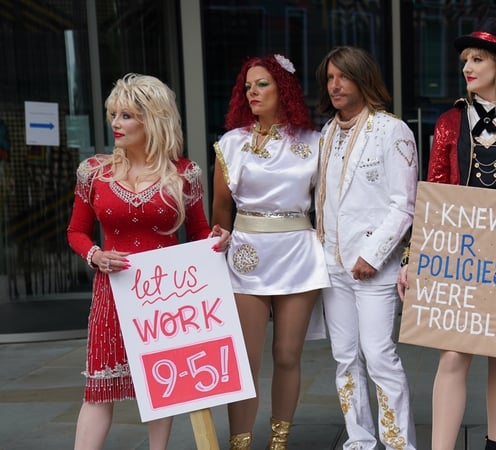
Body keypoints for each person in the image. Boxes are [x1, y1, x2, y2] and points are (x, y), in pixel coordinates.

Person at [396, 18, 496, 450]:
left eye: (477, 58)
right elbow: (431, 192)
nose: (467, 66)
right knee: (452, 352)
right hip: (457, 252)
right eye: (465, 59)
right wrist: (412, 257)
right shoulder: (449, 121)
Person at [66, 73, 230, 450]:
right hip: (112, 292)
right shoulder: (94, 172)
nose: (115, 123)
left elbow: (200, 230)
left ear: (152, 119)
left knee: (161, 382)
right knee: (98, 389)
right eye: (114, 114)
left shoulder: (184, 173)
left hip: (166, 295)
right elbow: (76, 231)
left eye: (126, 115)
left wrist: (218, 240)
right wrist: (95, 254)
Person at [212, 54, 330, 450]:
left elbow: (328, 205)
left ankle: (279, 442)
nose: (252, 92)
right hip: (247, 255)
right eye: (247, 86)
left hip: (298, 252)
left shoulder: (315, 143)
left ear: (284, 88)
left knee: (286, 355)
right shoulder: (231, 143)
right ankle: (240, 444)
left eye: (262, 84)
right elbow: (221, 213)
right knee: (245, 360)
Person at [315, 46, 418, 450]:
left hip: (373, 267)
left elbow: (404, 205)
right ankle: (359, 439)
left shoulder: (392, 131)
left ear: (363, 79)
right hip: (333, 264)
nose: (335, 85)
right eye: (329, 78)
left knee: (378, 355)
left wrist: (371, 255)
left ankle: (397, 443)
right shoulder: (326, 132)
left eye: (343, 76)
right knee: (344, 357)